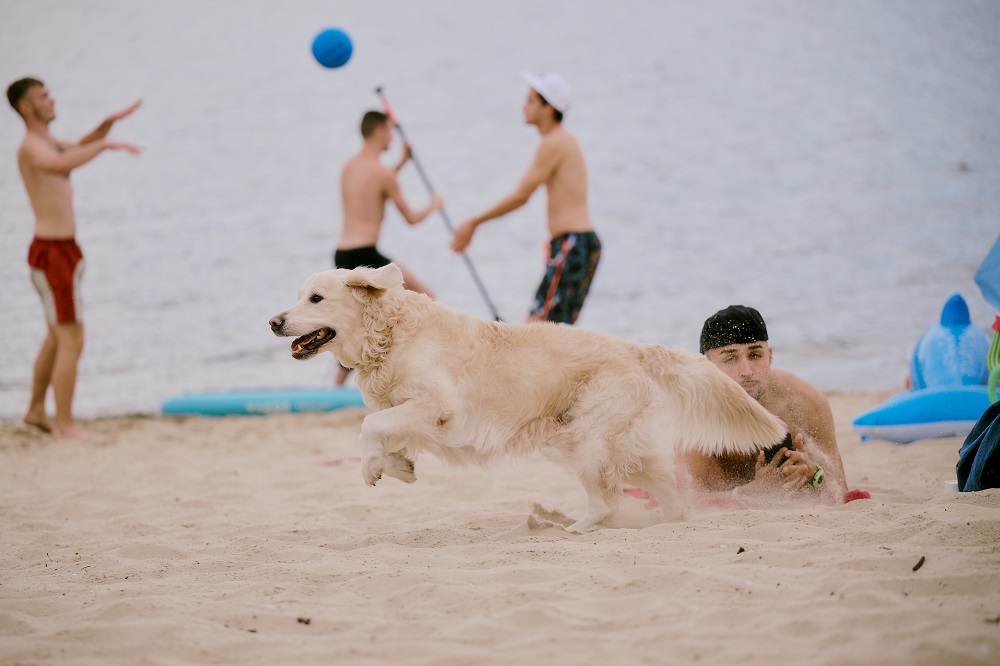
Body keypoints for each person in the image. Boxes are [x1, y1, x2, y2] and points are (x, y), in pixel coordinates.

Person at [8, 77, 141, 439]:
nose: (51, 100)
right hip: (51, 253)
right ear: (26, 107)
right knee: (72, 338)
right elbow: (59, 164)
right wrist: (107, 145)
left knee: (57, 336)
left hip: (64, 250)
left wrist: (108, 124)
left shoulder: (49, 143)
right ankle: (65, 425)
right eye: (43, 97)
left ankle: (36, 410)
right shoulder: (32, 148)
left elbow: (78, 147)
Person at [451, 72, 600, 324]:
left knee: (534, 332)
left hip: (571, 244)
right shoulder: (565, 141)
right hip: (580, 244)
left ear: (548, 109)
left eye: (530, 101)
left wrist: (475, 222)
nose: (524, 106)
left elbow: (521, 196)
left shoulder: (554, 142)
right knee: (554, 334)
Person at [683, 305, 849, 504]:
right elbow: (683, 499)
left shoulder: (801, 400)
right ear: (707, 366)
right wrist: (745, 494)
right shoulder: (695, 413)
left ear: (769, 355)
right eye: (731, 358)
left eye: (755, 355)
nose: (747, 371)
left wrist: (814, 474)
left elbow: (840, 488)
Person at [333, 109, 443, 384]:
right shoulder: (383, 173)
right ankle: (420, 367)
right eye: (390, 132)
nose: (392, 138)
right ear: (379, 131)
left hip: (342, 253)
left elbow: (372, 186)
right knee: (427, 296)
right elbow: (411, 218)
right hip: (366, 254)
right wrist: (433, 205)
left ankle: (335, 388)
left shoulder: (348, 168)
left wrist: (401, 163)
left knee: (355, 323)